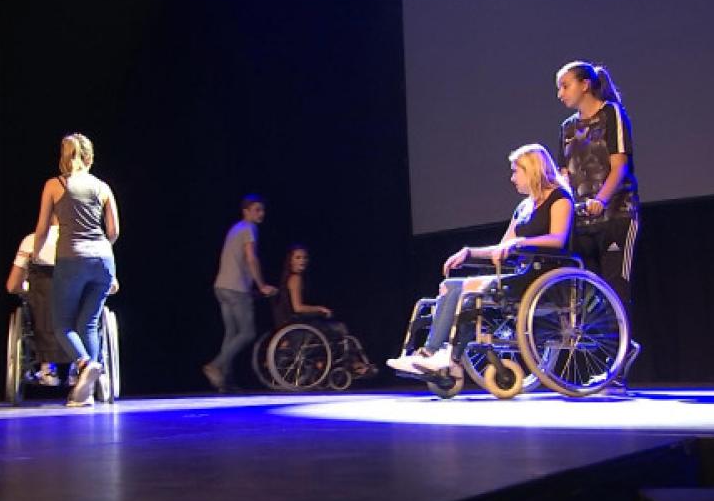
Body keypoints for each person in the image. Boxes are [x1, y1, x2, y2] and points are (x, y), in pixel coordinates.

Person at [387, 144, 573, 377]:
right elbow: (502, 245)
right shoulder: (524, 207)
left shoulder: (559, 198)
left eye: (516, 171)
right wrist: (469, 252)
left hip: (544, 276)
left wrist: (519, 243)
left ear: (532, 170)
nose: (512, 178)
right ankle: (433, 353)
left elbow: (558, 239)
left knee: (470, 289)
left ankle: (446, 355)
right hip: (520, 273)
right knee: (450, 286)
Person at [554, 61, 641, 388]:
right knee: (591, 293)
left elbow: (619, 167)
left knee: (616, 287)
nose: (560, 94)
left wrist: (601, 200)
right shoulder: (566, 128)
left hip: (617, 214)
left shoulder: (611, 115)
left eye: (565, 86)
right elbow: (564, 174)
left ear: (585, 84)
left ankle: (620, 357)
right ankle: (611, 357)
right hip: (582, 220)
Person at [31, 133, 119, 407]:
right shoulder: (103, 187)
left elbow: (43, 228)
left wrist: (36, 255)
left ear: (63, 157)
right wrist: (99, 249)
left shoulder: (54, 185)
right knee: (88, 324)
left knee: (61, 325)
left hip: (72, 259)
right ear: (89, 157)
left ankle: (84, 363)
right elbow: (113, 231)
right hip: (103, 259)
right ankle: (86, 393)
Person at [202, 195, 277, 393]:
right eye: (257, 210)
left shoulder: (236, 228)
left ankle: (224, 382)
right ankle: (215, 365)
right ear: (246, 211)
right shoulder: (249, 229)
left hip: (222, 287)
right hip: (236, 289)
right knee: (247, 333)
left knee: (232, 334)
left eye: (262, 210)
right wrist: (262, 286)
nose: (261, 214)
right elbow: (251, 259)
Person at [276, 245, 373, 377]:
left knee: (335, 330)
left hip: (295, 324)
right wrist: (320, 309)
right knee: (340, 329)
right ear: (290, 261)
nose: (302, 261)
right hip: (299, 325)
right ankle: (354, 364)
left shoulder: (290, 278)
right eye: (298, 257)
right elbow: (298, 307)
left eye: (304, 257)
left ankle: (331, 363)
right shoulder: (295, 279)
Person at [6, 216, 78, 387]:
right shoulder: (89, 243)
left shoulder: (31, 242)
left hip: (43, 313)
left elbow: (12, 286)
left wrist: (27, 289)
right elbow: (112, 286)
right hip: (77, 312)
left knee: (39, 301)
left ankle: (47, 365)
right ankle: (79, 364)